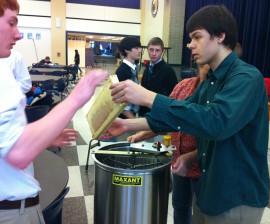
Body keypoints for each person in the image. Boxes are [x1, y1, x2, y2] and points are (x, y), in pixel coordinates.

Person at [102, 5, 270, 224]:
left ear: (220, 36)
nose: (190, 44)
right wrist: (128, 126)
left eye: (197, 37)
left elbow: (215, 123)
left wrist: (148, 97)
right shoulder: (210, 81)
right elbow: (180, 115)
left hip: (235, 197)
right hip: (208, 191)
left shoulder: (246, 78)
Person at [0, 1, 108, 223]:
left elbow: (6, 138)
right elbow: (18, 152)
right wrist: (77, 97)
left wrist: (43, 133)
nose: (18, 34)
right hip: (12, 212)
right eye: (11, 23)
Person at [127, 64, 210, 224]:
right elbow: (166, 118)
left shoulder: (219, 94)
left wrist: (191, 157)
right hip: (179, 162)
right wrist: (142, 134)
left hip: (202, 168)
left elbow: (217, 137)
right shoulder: (183, 86)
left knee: (201, 215)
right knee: (179, 206)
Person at [139, 37, 178, 117]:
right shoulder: (146, 69)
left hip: (160, 114)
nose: (154, 53)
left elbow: (174, 95)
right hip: (145, 112)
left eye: (157, 50)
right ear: (147, 50)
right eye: (151, 49)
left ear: (163, 52)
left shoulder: (168, 70)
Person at [115, 36, 141, 119]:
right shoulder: (122, 71)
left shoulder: (133, 68)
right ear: (127, 50)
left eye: (139, 48)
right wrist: (134, 121)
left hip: (133, 115)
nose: (139, 51)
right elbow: (119, 101)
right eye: (136, 48)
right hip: (125, 120)